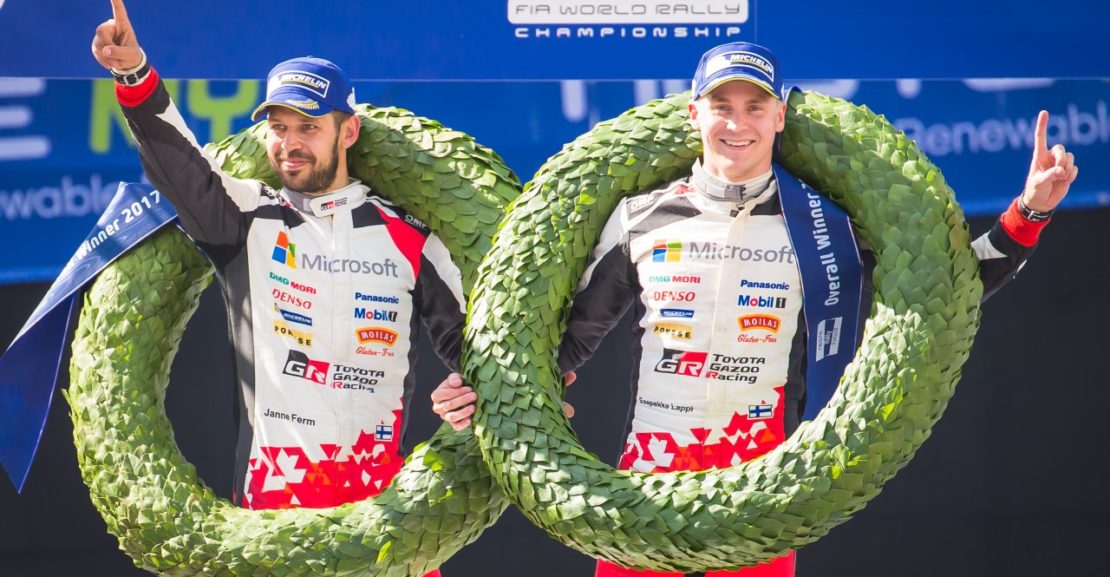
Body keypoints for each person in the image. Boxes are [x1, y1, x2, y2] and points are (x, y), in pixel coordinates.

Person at [432, 41, 1078, 577]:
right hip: (642, 502)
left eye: (754, 106)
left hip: (758, 510)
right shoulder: (640, 217)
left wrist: (1029, 213)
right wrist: (482, 389)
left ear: (779, 118)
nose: (736, 123)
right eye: (721, 106)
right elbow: (566, 344)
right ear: (694, 114)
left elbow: (940, 297)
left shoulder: (822, 225)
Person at [92, 5, 463, 575]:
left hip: (387, 527)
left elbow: (470, 347)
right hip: (273, 521)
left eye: (308, 127)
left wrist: (468, 391)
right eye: (279, 127)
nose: (290, 143)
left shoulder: (411, 236)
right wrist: (135, 73)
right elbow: (179, 166)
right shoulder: (247, 218)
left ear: (348, 131)